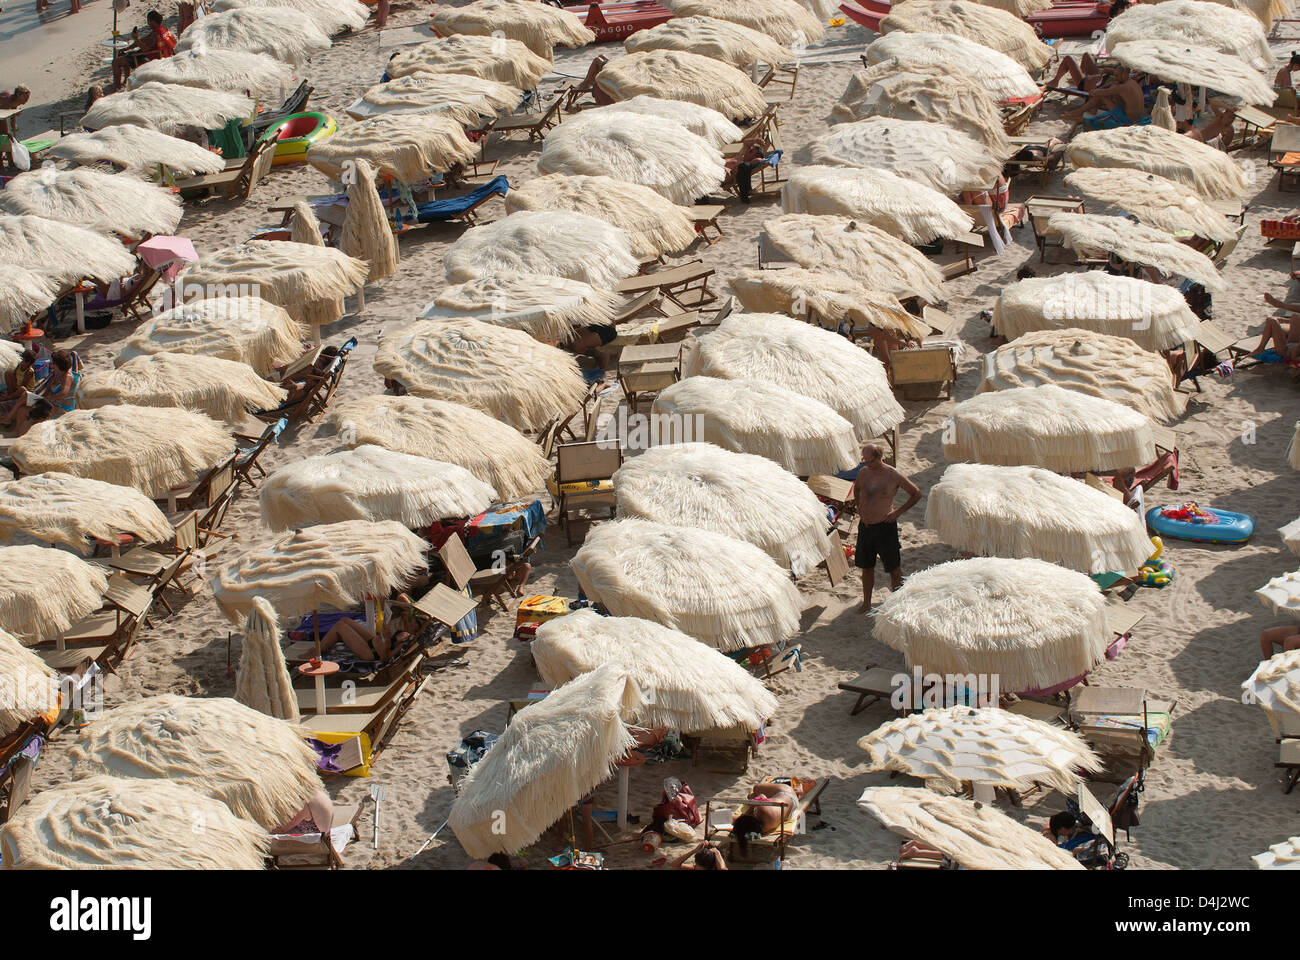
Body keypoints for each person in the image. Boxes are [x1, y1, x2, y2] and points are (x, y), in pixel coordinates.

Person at [849, 443, 921, 612]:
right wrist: (859, 507)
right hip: (865, 526)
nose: (867, 464)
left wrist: (897, 512)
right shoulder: (863, 472)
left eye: (870, 460)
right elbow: (857, 489)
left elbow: (916, 493)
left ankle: (898, 604)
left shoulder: (892, 474)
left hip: (884, 526)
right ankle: (866, 603)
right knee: (866, 568)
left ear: (879, 457)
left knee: (894, 569)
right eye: (864, 460)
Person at [318, 593, 419, 661]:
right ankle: (323, 648)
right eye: (411, 621)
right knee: (344, 620)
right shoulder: (405, 632)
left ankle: (316, 652)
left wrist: (387, 638)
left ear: (416, 629)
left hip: (372, 653)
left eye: (412, 625)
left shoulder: (406, 640)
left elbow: (385, 658)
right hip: (374, 641)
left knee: (340, 627)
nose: (409, 624)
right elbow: (402, 597)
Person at [1063, 67, 1147, 132]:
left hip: (1127, 119)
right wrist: (1103, 88)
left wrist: (1094, 91)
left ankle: (1078, 112)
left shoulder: (1123, 87)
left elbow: (1101, 93)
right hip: (1137, 116)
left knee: (1101, 96)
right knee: (1107, 93)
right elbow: (1112, 86)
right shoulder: (1132, 82)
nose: (1115, 77)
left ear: (1124, 75)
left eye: (1117, 76)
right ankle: (1087, 110)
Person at [112, 10, 177, 90]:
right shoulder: (162, 30)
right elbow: (144, 40)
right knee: (124, 55)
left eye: (148, 21)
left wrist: (136, 39)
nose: (148, 23)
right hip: (159, 55)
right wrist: (127, 48)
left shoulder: (156, 34)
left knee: (116, 62)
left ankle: (117, 86)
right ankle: (126, 80)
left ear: (152, 21)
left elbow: (146, 49)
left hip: (149, 58)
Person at [1247, 293, 1300, 361]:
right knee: (1295, 317)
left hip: (1285, 351)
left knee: (1272, 320)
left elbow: (1294, 357)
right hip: (1292, 344)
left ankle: (1260, 348)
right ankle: (1280, 308)